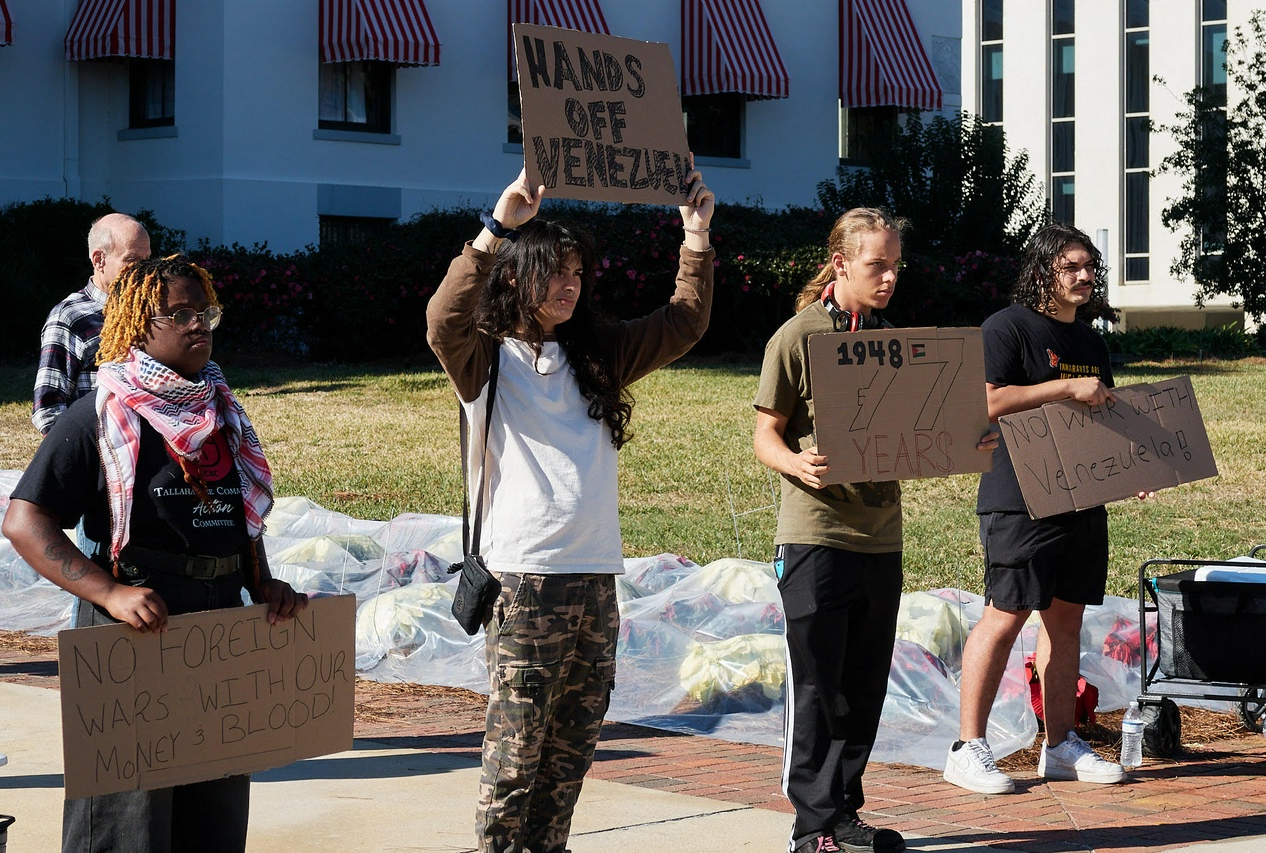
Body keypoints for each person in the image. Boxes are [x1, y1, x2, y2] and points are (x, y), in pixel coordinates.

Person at [426, 166, 714, 853]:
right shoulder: (486, 358)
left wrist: (696, 239)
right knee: (517, 747)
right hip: (525, 581)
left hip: (594, 578)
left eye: (579, 273)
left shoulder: (598, 354)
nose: (570, 284)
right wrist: (498, 226)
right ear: (517, 277)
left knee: (574, 742)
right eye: (555, 271)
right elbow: (442, 318)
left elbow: (683, 323)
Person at [3, 255, 308, 853]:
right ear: (139, 324)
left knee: (213, 819)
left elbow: (238, 513)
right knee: (125, 825)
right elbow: (24, 521)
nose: (200, 325)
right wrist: (109, 593)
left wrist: (263, 582)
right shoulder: (100, 413)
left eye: (207, 312)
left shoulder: (220, 412)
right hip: (136, 633)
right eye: (180, 314)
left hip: (218, 630)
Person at [753, 209, 997, 853]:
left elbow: (927, 430)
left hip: (881, 539)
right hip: (816, 537)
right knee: (817, 685)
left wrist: (969, 439)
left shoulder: (900, 344)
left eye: (895, 266)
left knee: (862, 686)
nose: (889, 278)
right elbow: (765, 436)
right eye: (876, 266)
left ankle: (844, 815)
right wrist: (796, 462)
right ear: (840, 264)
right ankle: (811, 827)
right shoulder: (796, 337)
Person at [943, 223, 1131, 795]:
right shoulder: (1007, 327)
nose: (1083, 276)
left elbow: (1104, 417)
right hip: (1019, 497)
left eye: (1089, 267)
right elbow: (987, 401)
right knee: (1005, 614)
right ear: (1044, 269)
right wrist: (1062, 389)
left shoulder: (1092, 342)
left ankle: (1061, 745)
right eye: (1070, 267)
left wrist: (1132, 470)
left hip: (1081, 498)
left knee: (1066, 621)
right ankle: (967, 748)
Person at [32, 212, 152, 434]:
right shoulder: (70, 317)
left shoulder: (154, 310)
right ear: (99, 260)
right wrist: (87, 455)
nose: (144, 272)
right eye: (133, 260)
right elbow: (48, 411)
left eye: (147, 261)